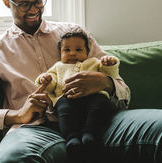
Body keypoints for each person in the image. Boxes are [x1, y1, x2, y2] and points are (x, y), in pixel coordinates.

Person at [0, 0, 162, 163]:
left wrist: (106, 83)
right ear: (6, 3)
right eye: (24, 4)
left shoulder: (74, 33)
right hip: (36, 130)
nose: (34, 10)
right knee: (15, 158)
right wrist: (17, 115)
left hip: (99, 120)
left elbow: (122, 88)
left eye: (39, 1)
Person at [35, 29, 119, 159]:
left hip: (93, 97)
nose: (72, 53)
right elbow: (51, 85)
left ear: (87, 52)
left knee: (101, 102)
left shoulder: (94, 63)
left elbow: (109, 75)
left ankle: (90, 133)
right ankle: (71, 138)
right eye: (67, 50)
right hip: (67, 98)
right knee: (63, 108)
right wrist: (44, 79)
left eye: (79, 50)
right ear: (60, 53)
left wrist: (109, 63)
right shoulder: (58, 66)